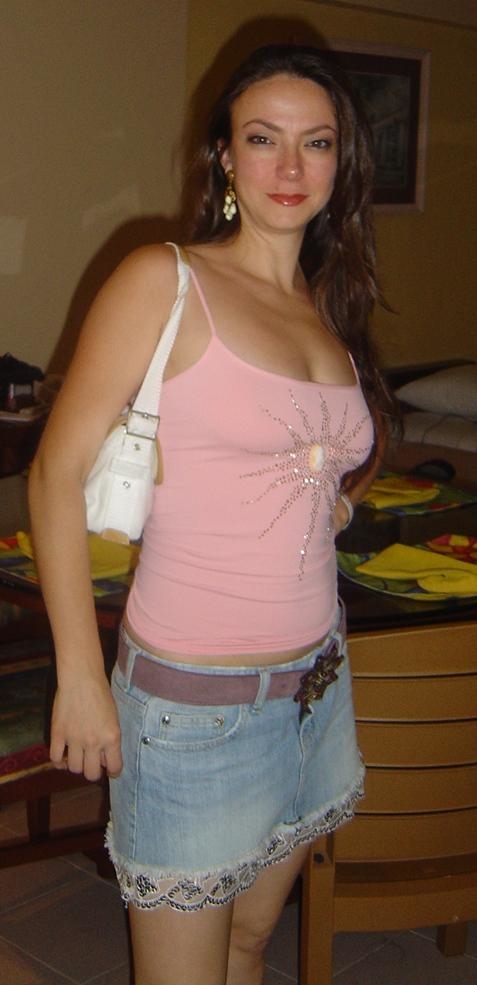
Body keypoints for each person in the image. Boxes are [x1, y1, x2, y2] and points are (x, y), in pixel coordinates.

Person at [29, 42, 394, 985]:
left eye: (316, 142)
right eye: (262, 139)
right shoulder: (166, 278)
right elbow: (54, 473)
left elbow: (326, 453)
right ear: (225, 156)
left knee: (249, 946)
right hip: (194, 710)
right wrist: (80, 675)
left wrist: (328, 497)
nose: (289, 165)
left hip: (315, 685)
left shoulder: (326, 302)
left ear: (341, 161)